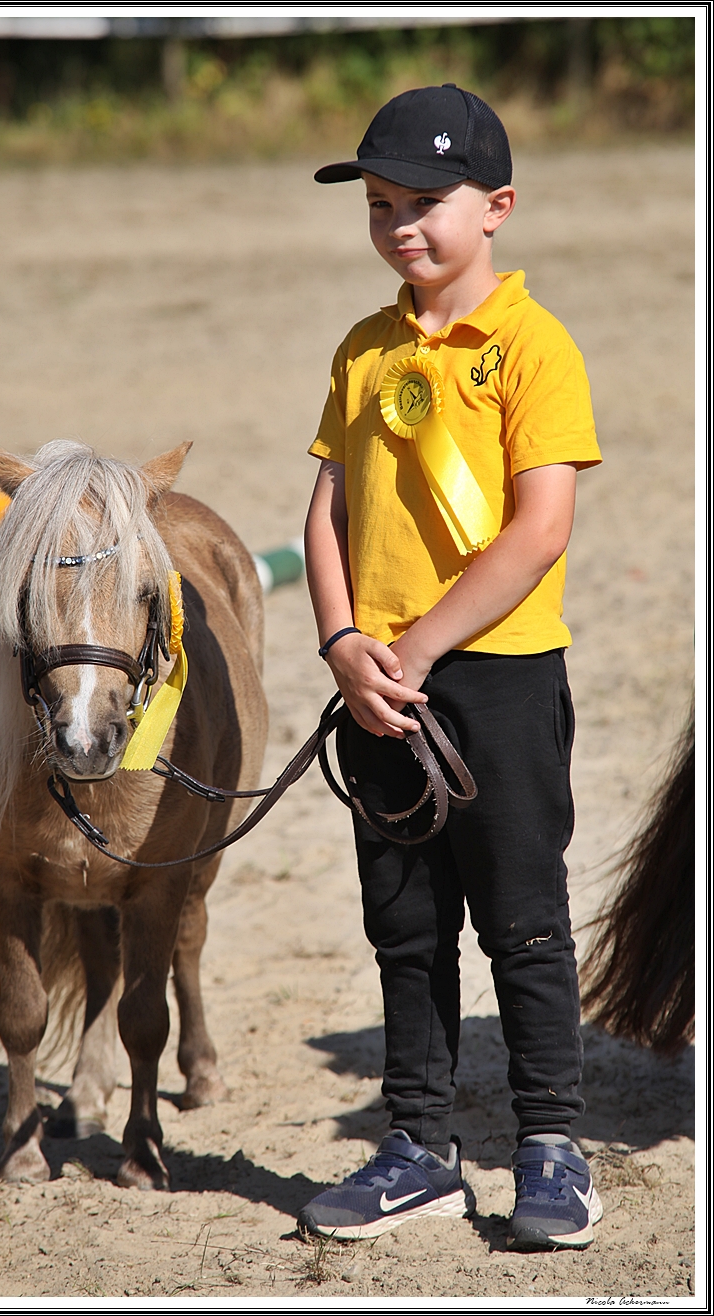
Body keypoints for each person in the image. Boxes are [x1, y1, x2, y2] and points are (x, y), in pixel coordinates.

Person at [298, 85, 604, 1252]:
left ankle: (549, 1147)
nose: (399, 225)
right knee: (404, 925)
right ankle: (416, 1148)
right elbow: (322, 511)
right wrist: (344, 646)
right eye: (380, 204)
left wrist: (419, 644)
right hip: (376, 682)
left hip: (497, 679)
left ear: (498, 207)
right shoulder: (362, 346)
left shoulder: (533, 346)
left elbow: (538, 528)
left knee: (521, 921)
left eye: (424, 201)